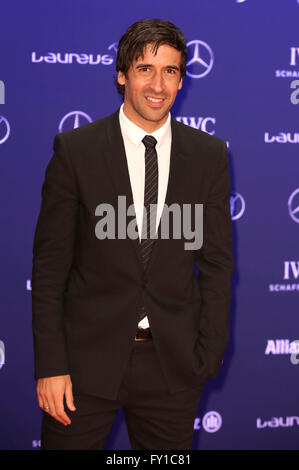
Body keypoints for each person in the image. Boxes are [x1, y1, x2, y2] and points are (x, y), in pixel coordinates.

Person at [31, 18, 234, 450]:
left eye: (171, 71)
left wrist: (207, 355)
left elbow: (216, 264)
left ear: (181, 79)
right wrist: (51, 366)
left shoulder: (209, 156)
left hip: (172, 369)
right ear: (122, 75)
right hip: (83, 369)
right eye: (145, 69)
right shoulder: (75, 151)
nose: (158, 84)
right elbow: (49, 271)